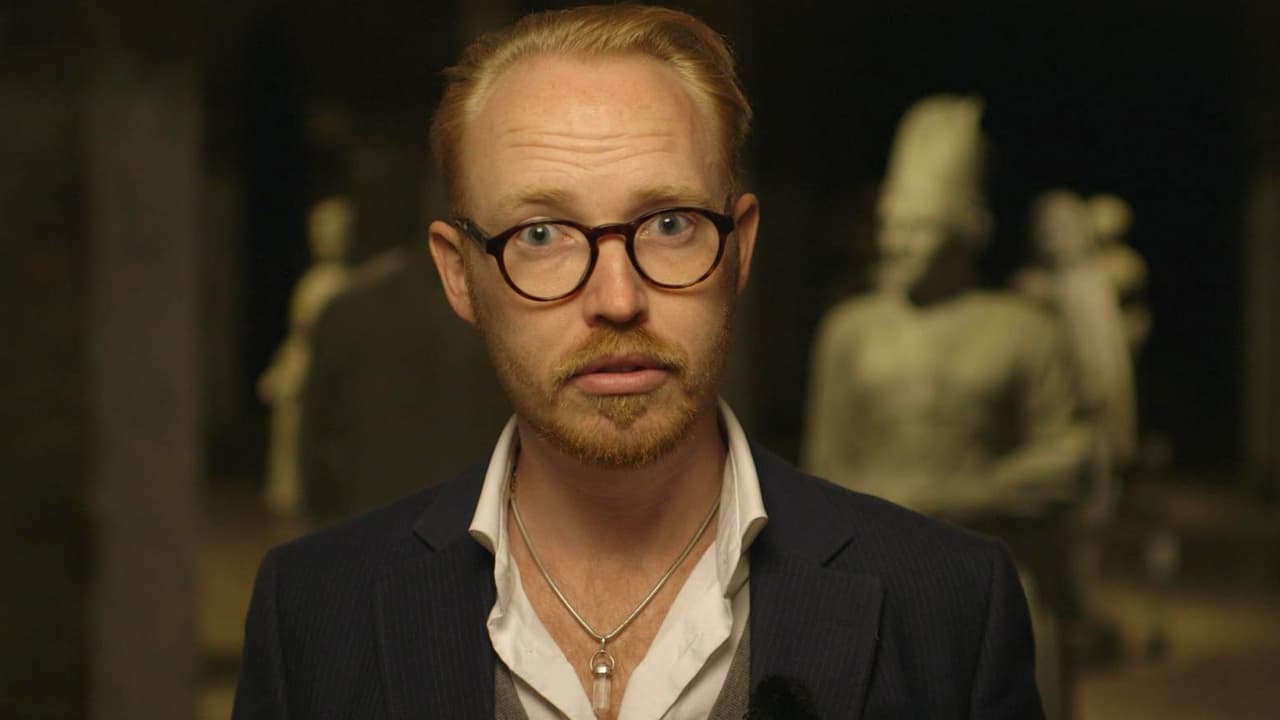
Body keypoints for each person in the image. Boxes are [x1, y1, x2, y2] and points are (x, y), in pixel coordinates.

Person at [233, 7, 1043, 719]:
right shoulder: (314, 614)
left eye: (669, 224)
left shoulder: (949, 609)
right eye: (541, 234)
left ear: (739, 248)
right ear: (459, 275)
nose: (617, 298)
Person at [802, 96, 1086, 719]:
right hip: (876, 588)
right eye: (890, 223)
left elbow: (1068, 461)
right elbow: (823, 471)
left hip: (994, 580)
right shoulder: (851, 331)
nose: (896, 243)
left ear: (970, 231)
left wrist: (944, 498)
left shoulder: (1025, 330)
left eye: (920, 227)